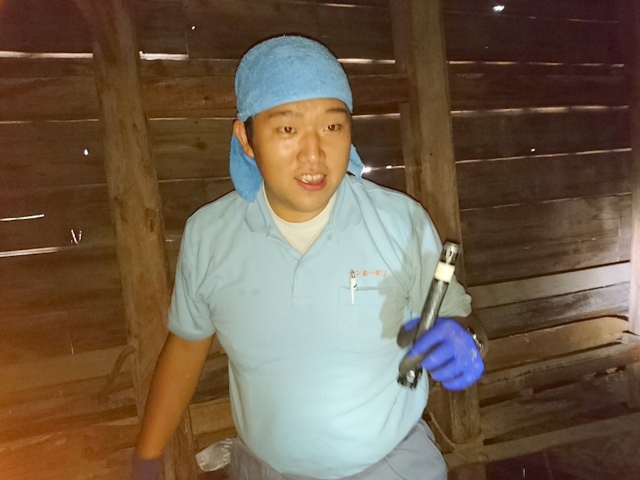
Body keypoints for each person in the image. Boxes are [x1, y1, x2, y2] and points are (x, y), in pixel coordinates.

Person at [133, 35, 485, 480]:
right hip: (264, 470)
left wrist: (468, 340)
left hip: (392, 464)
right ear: (246, 139)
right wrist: (147, 456)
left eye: (333, 127)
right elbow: (187, 344)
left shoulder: (401, 222)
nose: (314, 153)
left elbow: (460, 319)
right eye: (287, 129)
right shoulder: (209, 236)